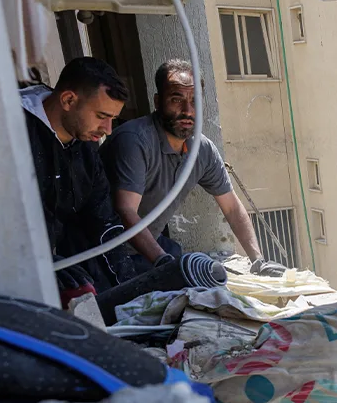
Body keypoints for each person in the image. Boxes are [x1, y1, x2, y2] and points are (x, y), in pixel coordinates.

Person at [101, 59, 286, 277]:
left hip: (147, 246)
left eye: (194, 101)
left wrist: (258, 261)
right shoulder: (134, 141)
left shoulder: (203, 150)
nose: (187, 111)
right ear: (158, 101)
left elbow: (232, 208)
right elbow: (126, 210)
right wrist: (163, 263)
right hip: (104, 250)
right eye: (176, 99)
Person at [20, 57, 138, 303]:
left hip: (57, 257)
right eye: (101, 116)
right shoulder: (12, 130)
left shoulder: (85, 145)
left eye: (112, 119)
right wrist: (43, 262)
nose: (107, 128)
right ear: (68, 100)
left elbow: (104, 220)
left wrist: (132, 289)